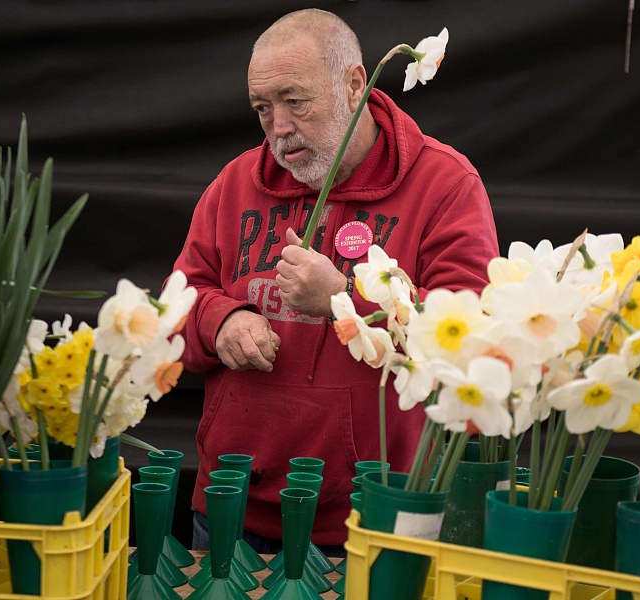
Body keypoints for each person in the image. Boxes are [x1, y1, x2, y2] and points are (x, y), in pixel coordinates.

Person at [173, 8, 500, 553]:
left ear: (354, 85)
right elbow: (175, 309)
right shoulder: (234, 184)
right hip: (231, 503)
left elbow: (472, 337)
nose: (278, 128)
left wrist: (344, 299)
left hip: (371, 517)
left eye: (294, 101)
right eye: (262, 108)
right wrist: (220, 321)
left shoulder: (444, 184)